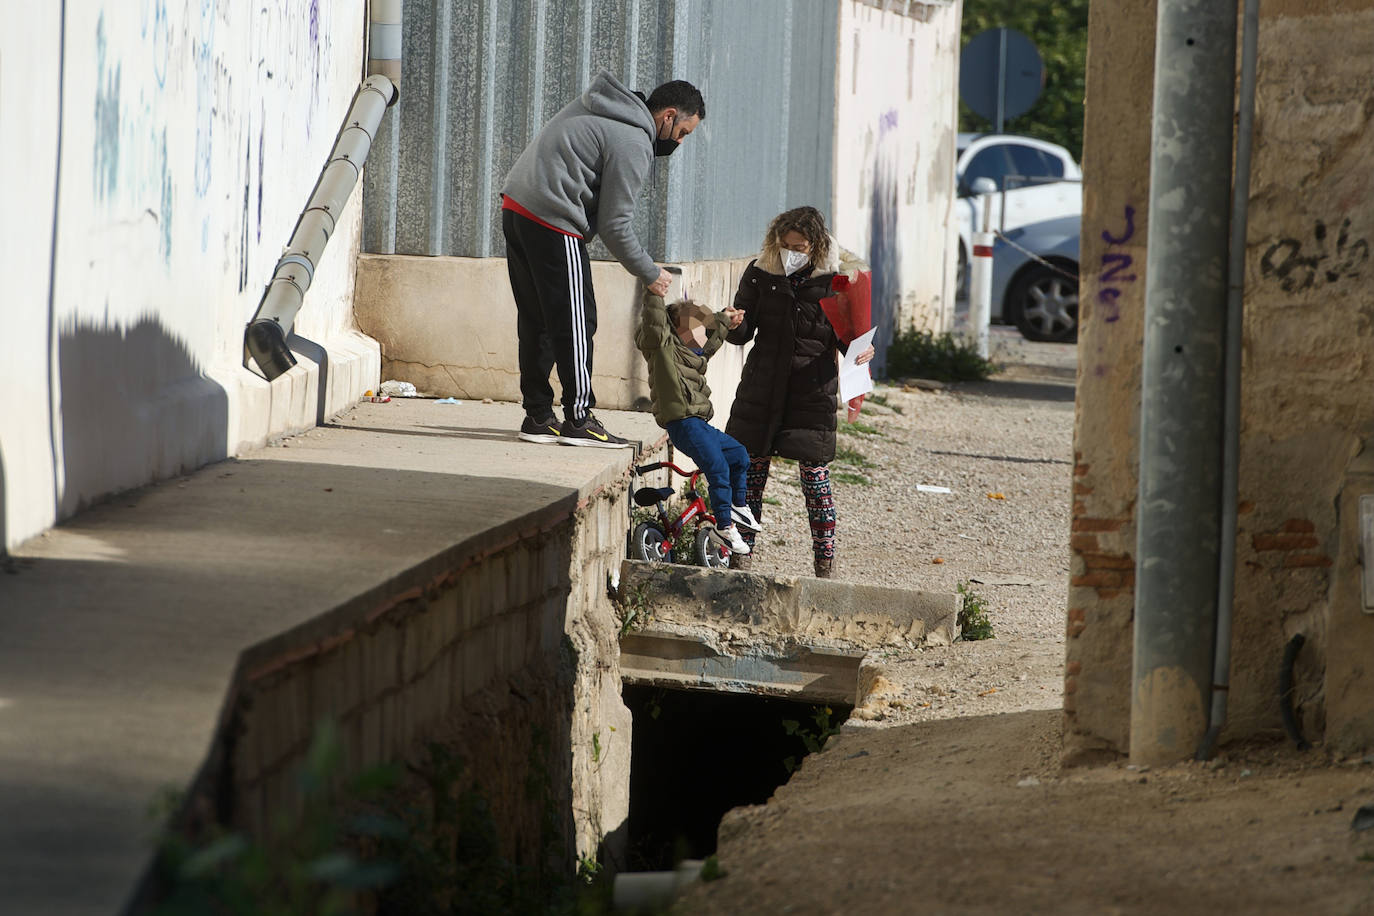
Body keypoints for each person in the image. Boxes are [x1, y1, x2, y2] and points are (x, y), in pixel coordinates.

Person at [501, 71, 705, 448]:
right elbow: (616, 225)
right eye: (682, 133)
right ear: (669, 115)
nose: (679, 142)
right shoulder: (633, 139)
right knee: (577, 320)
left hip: (517, 209)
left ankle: (538, 416)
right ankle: (580, 419)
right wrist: (650, 272)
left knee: (538, 319)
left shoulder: (600, 109)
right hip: (553, 217)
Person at [724, 206, 874, 578]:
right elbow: (743, 331)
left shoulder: (839, 280)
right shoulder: (761, 272)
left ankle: (825, 563)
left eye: (800, 246)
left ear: (817, 244)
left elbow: (848, 338)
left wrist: (862, 350)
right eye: (786, 244)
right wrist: (731, 322)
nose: (792, 252)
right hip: (762, 387)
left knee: (815, 480)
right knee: (748, 476)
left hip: (812, 391)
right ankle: (741, 556)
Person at [635, 290, 760, 554]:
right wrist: (653, 289)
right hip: (683, 424)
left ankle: (737, 505)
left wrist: (725, 319)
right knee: (717, 467)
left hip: (700, 424)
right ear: (679, 332)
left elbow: (712, 340)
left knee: (738, 455)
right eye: (698, 331)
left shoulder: (694, 355)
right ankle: (723, 527)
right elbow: (655, 322)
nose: (704, 337)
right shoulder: (662, 348)